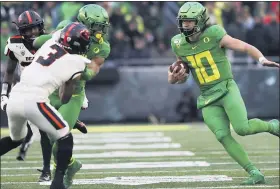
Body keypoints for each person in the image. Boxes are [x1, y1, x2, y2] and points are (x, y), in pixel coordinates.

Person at [168, 2, 279, 185]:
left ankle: (273, 126)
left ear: (201, 21)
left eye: (189, 21)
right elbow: (176, 73)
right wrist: (174, 77)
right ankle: (253, 172)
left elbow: (243, 46)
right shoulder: (177, 43)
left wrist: (261, 58)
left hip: (226, 88)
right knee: (222, 136)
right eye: (183, 21)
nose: (186, 25)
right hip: (207, 97)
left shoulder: (214, 34)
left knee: (242, 128)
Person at [0, 22, 91, 189]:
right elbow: (64, 98)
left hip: (15, 97)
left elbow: (40, 41)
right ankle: (57, 184)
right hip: (35, 101)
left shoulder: (50, 42)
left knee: (16, 139)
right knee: (64, 136)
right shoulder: (78, 62)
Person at [33, 4, 111, 188]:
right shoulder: (65, 28)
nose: (100, 32)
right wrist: (54, 38)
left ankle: (61, 175)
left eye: (102, 27)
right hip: (50, 89)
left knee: (58, 136)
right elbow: (38, 43)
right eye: (96, 27)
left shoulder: (103, 47)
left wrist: (78, 69)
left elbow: (93, 70)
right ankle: (71, 164)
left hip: (74, 91)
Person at [0, 10, 53, 182]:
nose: (33, 33)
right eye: (28, 30)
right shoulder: (15, 44)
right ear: (21, 32)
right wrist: (3, 94)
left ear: (41, 27)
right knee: (17, 139)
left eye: (35, 29)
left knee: (45, 130)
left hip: (43, 92)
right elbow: (9, 72)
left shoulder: (50, 43)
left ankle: (46, 171)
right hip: (22, 92)